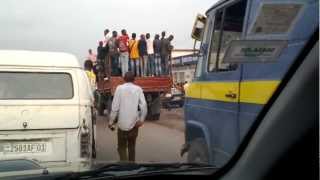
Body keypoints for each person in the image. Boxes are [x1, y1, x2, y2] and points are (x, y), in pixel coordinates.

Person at [108, 71, 147, 162]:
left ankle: (125, 167)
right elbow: (144, 105)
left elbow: (115, 107)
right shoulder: (138, 89)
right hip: (134, 124)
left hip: (122, 125)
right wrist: (141, 120)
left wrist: (111, 122)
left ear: (123, 79)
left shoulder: (119, 88)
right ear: (134, 79)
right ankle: (132, 167)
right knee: (132, 147)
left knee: (121, 147)